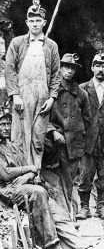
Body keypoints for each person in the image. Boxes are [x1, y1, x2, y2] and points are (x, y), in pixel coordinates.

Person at [0, 104, 90, 249]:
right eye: (2, 124)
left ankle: (80, 245)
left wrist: (28, 173)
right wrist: (29, 169)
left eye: (8, 124)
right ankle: (50, 243)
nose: (5, 128)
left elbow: (32, 169)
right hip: (9, 189)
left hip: (25, 184)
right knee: (40, 192)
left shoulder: (14, 145)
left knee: (57, 212)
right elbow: (5, 174)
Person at [5, 0, 60, 172]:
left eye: (38, 21)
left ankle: (35, 172)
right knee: (20, 135)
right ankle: (21, 173)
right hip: (22, 95)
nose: (35, 24)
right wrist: (15, 95)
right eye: (32, 20)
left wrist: (52, 98)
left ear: (44, 23)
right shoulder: (17, 43)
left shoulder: (51, 46)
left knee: (38, 137)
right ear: (27, 22)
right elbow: (9, 69)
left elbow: (56, 74)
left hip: (43, 97)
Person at [76, 52, 104, 220]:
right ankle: (84, 207)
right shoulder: (82, 88)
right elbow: (77, 115)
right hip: (88, 139)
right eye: (97, 65)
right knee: (85, 174)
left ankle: (101, 206)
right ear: (92, 67)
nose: (100, 69)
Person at [46, 53, 91, 207]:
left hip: (73, 144)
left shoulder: (81, 94)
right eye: (66, 66)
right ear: (60, 68)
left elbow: (87, 120)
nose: (69, 71)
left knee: (69, 179)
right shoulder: (51, 91)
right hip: (53, 143)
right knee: (53, 179)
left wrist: (82, 139)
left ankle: (69, 212)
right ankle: (61, 211)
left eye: (73, 68)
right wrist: (52, 131)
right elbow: (41, 115)